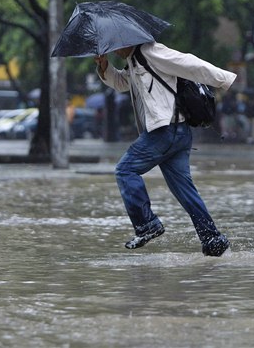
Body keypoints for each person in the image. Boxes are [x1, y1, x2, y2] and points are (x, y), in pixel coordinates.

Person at [94, 42, 237, 256]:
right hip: (177, 134)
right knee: (185, 190)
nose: (115, 51)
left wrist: (224, 78)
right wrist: (104, 66)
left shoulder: (151, 51)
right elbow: (123, 83)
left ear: (130, 40)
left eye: (117, 46)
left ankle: (147, 224)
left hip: (165, 132)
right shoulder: (133, 61)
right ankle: (212, 238)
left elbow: (188, 63)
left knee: (125, 170)